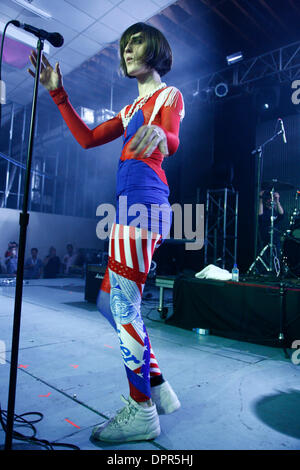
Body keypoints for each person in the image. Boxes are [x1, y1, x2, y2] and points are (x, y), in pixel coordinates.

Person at [28, 22, 184, 443]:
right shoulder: (131, 111)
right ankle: (157, 386)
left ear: (154, 48)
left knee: (122, 307)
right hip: (127, 208)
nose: (128, 50)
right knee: (106, 304)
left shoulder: (168, 96)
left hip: (144, 206)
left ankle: (142, 410)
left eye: (136, 43)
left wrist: (162, 137)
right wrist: (57, 92)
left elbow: (172, 135)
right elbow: (86, 137)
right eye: (124, 46)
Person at [259, 189, 284, 257]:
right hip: (265, 238)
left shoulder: (275, 211)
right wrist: (261, 198)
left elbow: (281, 214)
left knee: (277, 257)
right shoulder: (263, 210)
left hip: (275, 239)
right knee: (265, 257)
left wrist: (277, 200)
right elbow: (260, 216)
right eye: (268, 199)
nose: (270, 201)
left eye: (271, 199)